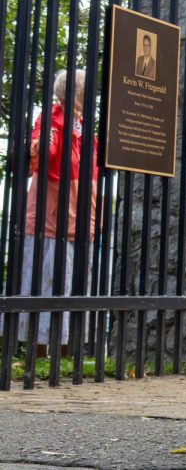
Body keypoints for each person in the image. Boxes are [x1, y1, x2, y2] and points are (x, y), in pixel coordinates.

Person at [21, 69, 98, 354]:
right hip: (54, 216)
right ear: (76, 93)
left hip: (80, 217)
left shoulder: (83, 126)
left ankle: (66, 354)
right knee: (47, 281)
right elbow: (45, 149)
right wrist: (40, 146)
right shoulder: (52, 120)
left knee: (72, 284)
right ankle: (39, 353)